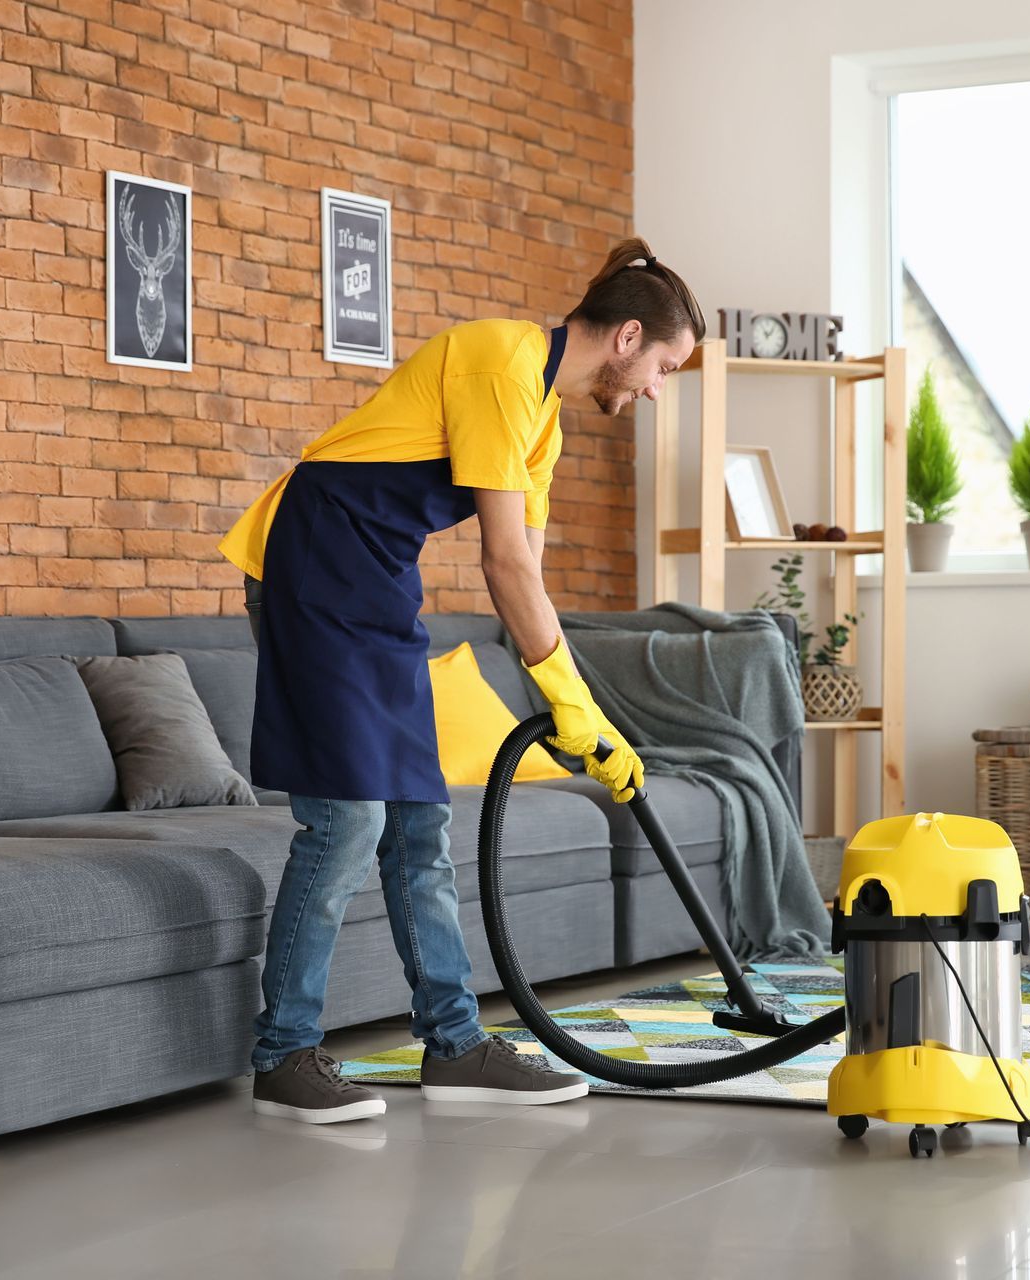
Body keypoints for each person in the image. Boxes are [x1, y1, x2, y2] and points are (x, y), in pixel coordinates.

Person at [218, 238, 705, 1122]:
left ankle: (453, 1045)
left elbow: (533, 580)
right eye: (665, 366)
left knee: (420, 824)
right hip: (314, 561)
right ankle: (284, 1055)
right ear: (628, 337)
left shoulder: (544, 423)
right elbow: (503, 564)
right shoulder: (499, 363)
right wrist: (570, 702)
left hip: (375, 578)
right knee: (347, 819)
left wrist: (578, 711)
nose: (656, 390)